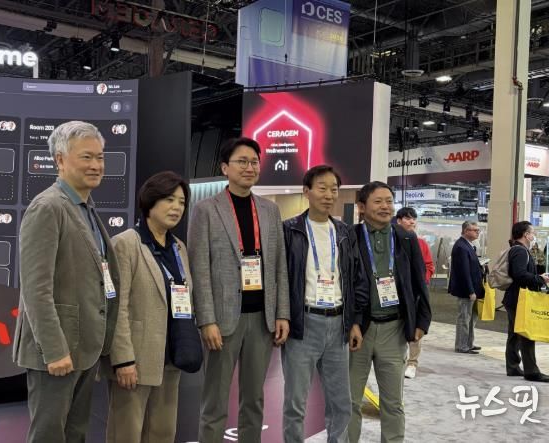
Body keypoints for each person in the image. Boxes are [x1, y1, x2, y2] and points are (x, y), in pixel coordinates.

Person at [13, 121, 119, 443]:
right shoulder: (47, 207)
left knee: (75, 433)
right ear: (60, 160)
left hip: (84, 347)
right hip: (58, 352)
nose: (96, 165)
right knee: (48, 435)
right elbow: (36, 289)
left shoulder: (86, 208)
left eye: (100, 157)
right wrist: (55, 350)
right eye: (87, 157)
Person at [188, 137, 290, 443]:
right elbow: (199, 269)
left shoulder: (270, 211)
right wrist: (206, 320)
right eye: (242, 161)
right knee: (215, 401)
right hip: (222, 320)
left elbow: (279, 266)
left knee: (254, 399)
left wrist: (282, 313)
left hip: (261, 319)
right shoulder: (206, 210)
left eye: (254, 162)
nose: (249, 167)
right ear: (225, 168)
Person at [282, 166, 369, 443]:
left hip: (338, 325)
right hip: (303, 324)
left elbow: (356, 279)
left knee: (341, 403)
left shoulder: (344, 232)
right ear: (306, 191)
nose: (329, 195)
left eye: (334, 189)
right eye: (322, 188)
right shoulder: (290, 230)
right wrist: (282, 317)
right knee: (296, 403)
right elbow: (280, 278)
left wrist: (355, 322)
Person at [103, 171, 192, 442]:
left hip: (171, 356)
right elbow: (117, 308)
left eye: (182, 202)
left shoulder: (179, 248)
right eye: (169, 199)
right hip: (136, 360)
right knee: (126, 434)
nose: (177, 207)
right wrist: (123, 360)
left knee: (163, 433)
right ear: (150, 202)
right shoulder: (125, 244)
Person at [349, 181, 431, 443]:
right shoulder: (349, 236)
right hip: (359, 331)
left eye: (389, 201)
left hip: (394, 329)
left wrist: (422, 321)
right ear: (362, 207)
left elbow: (419, 281)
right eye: (378, 201)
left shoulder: (405, 238)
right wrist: (351, 322)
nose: (385, 206)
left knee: (393, 402)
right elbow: (345, 284)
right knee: (349, 400)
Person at [503, 221, 549, 382]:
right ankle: (531, 371)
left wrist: (538, 277)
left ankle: (512, 367)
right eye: (532, 232)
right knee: (527, 334)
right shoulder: (520, 251)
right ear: (526, 234)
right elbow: (519, 274)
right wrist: (540, 278)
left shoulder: (517, 249)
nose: (534, 235)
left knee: (514, 334)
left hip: (514, 298)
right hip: (520, 299)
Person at [395, 207, 434, 379]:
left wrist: (420, 283)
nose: (412, 222)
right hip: (394, 292)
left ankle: (412, 363)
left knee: (416, 327)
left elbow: (429, 266)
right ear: (398, 221)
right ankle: (399, 360)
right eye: (407, 218)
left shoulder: (421, 243)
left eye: (414, 219)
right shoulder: (391, 240)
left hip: (415, 293)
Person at [448, 221, 484, 354]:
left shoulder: (469, 245)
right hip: (466, 290)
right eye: (475, 230)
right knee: (464, 318)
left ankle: (469, 343)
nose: (478, 232)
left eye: (478, 230)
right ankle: (461, 345)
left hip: (473, 289)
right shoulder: (461, 246)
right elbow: (464, 272)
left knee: (471, 318)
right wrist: (470, 291)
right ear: (466, 231)